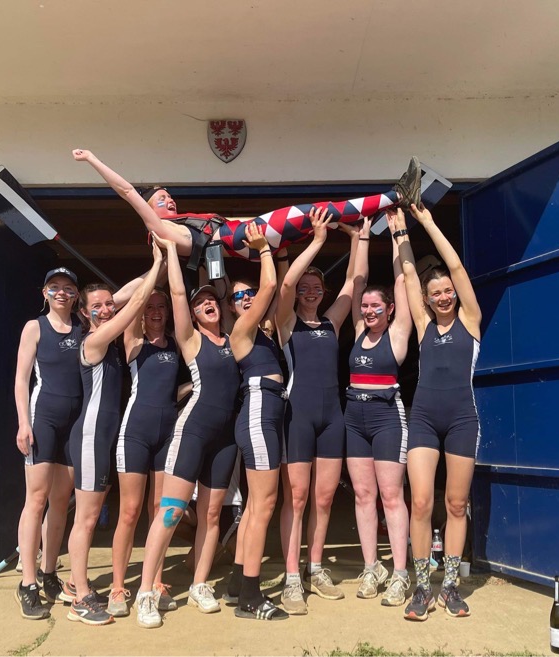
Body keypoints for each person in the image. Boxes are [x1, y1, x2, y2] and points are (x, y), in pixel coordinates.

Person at [133, 233, 242, 629]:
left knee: (213, 514)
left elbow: (228, 290)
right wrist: (169, 254)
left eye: (212, 299)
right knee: (172, 511)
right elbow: (178, 293)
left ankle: (199, 584)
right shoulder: (191, 340)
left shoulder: (235, 338)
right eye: (200, 303)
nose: (207, 304)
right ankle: (147, 591)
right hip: (193, 431)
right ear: (193, 314)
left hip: (226, 437)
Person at [71, 149, 422, 261]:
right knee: (315, 208)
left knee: (318, 215)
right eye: (160, 199)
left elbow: (232, 220)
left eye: (169, 195)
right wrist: (93, 160)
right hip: (243, 240)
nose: (169, 200)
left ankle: (383, 208)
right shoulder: (160, 229)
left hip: (248, 236)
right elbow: (128, 192)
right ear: (151, 209)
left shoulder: (185, 222)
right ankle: (397, 196)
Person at [66, 244, 164, 626]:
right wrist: (156, 267)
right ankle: (81, 596)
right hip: (90, 437)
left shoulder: (104, 323)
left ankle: (78, 586)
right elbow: (134, 301)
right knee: (87, 520)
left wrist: (161, 259)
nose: (106, 309)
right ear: (83, 313)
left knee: (89, 517)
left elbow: (129, 293)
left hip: (106, 438)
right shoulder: (94, 340)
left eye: (110, 304)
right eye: (97, 306)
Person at [393, 204, 482, 621]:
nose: (444, 296)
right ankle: (422, 586)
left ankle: (450, 586)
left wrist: (427, 221)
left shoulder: (470, 320)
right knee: (422, 502)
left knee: (457, 503)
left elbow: (458, 267)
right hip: (425, 418)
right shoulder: (425, 326)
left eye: (448, 291)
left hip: (463, 418)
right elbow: (410, 275)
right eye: (437, 293)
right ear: (427, 300)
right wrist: (401, 234)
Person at [275, 208, 359, 615]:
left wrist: (359, 239)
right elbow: (287, 282)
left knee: (323, 499)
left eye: (316, 287)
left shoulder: (331, 323)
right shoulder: (286, 323)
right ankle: (292, 578)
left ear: (323, 292)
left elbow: (353, 287)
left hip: (332, 419)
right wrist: (319, 241)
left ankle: (315, 566)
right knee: (297, 496)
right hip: (298, 417)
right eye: (305, 287)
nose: (309, 291)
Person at [221, 223, 289, 620]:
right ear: (233, 307)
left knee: (253, 506)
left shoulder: (263, 333)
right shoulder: (241, 331)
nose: (246, 299)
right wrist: (264, 248)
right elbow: (269, 291)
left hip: (265, 412)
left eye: (248, 294)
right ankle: (250, 596)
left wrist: (279, 255)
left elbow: (279, 293)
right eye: (238, 297)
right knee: (264, 505)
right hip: (260, 410)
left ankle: (236, 583)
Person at [344, 214, 413, 606]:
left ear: (388, 310)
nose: (368, 310)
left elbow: (402, 279)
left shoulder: (398, 333)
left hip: (388, 416)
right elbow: (356, 281)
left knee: (390, 495)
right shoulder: (357, 331)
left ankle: (400, 573)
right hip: (355, 418)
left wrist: (397, 233)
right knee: (363, 494)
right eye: (365, 305)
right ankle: (372, 567)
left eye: (376, 305)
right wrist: (364, 238)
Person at [107, 285, 184, 617]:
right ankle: (117, 586)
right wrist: (157, 267)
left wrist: (196, 389)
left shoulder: (176, 346)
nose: (155, 311)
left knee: (161, 511)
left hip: (167, 435)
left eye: (161, 307)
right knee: (130, 511)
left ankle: (154, 581)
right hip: (135, 434)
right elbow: (122, 301)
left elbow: (172, 389)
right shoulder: (133, 342)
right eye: (150, 307)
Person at [14, 267, 82, 620]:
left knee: (60, 501)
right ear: (44, 293)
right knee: (36, 500)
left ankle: (49, 571)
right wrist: (24, 423)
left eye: (68, 288)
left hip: (74, 426)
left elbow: (115, 299)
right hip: (43, 422)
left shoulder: (85, 328)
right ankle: (27, 583)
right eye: (54, 287)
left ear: (75, 295)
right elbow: (21, 379)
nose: (60, 293)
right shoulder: (34, 327)